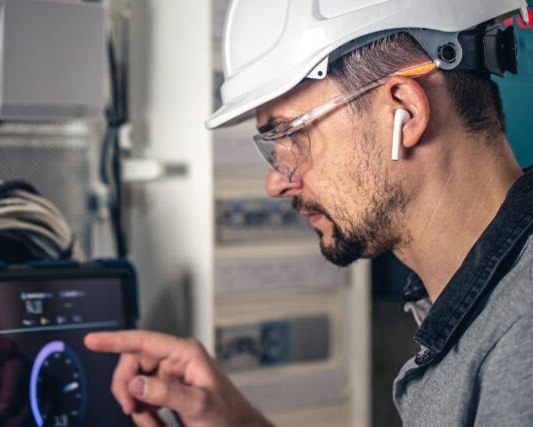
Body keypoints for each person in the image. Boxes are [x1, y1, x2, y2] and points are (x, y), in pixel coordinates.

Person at [86, 1, 533, 425]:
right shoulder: (473, 308)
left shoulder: (520, 345)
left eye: (292, 134)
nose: (277, 182)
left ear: (405, 112)